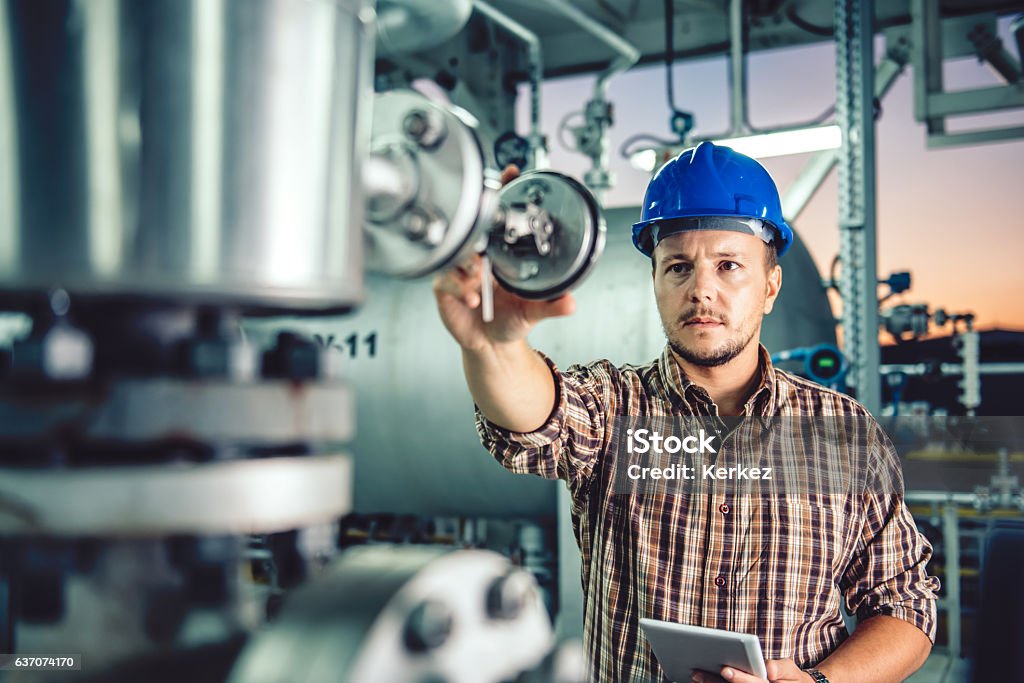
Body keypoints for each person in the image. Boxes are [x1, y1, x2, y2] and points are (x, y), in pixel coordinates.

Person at [433, 142, 939, 683]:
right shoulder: (614, 409)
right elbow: (536, 419)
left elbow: (905, 605)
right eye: (678, 267)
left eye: (729, 266)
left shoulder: (842, 433)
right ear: (656, 282)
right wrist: (494, 346)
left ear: (770, 285)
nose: (701, 290)